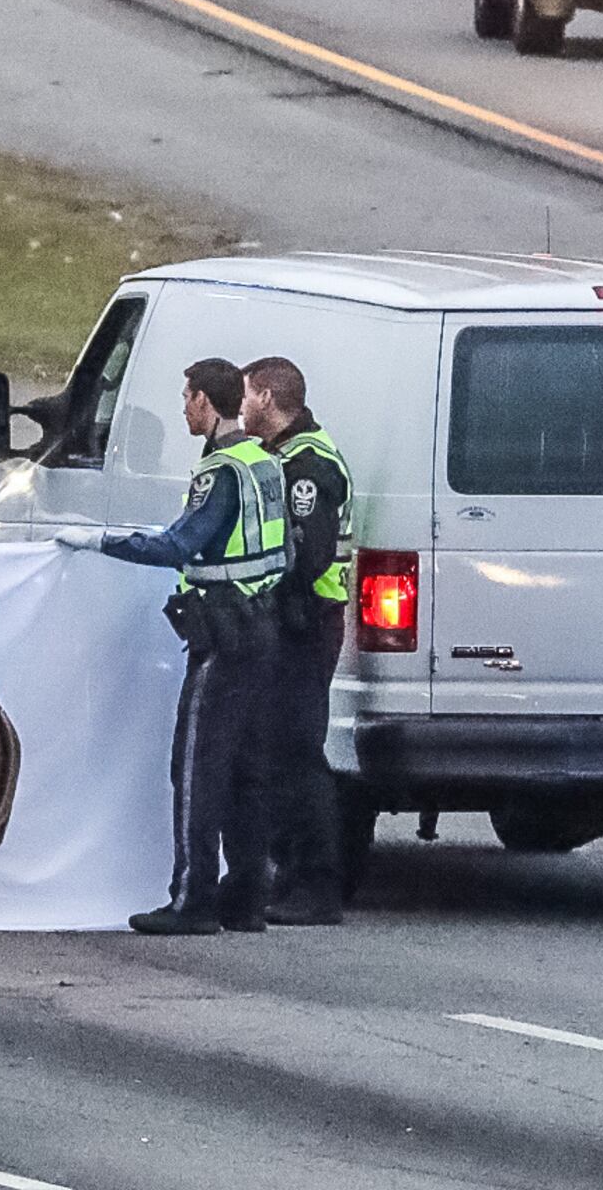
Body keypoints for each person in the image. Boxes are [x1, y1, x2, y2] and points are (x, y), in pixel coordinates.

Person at [62, 356, 288, 936]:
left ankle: (193, 900)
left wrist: (100, 541)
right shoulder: (264, 461)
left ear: (204, 403)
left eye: (186, 396)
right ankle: (246, 899)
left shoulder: (220, 473)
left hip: (225, 633)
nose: (182, 407)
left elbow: (179, 545)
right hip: (263, 627)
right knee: (248, 770)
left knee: (196, 767)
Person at [245, 355, 353, 926]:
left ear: (267, 398)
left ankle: (315, 886)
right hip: (295, 618)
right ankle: (288, 875)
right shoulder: (285, 455)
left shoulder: (308, 466)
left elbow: (307, 557)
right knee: (279, 750)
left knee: (297, 754)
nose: (240, 409)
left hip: (305, 620)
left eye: (245, 397)